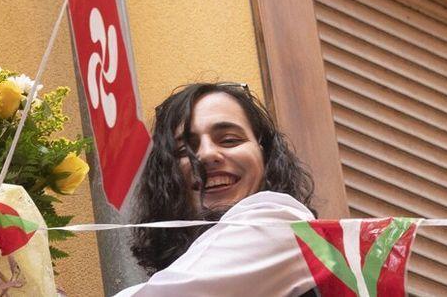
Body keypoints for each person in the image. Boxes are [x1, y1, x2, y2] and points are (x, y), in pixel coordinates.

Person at [114, 82, 320, 296]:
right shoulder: (183, 268)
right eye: (184, 150)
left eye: (229, 140)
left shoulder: (284, 222)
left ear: (265, 155)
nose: (206, 155)